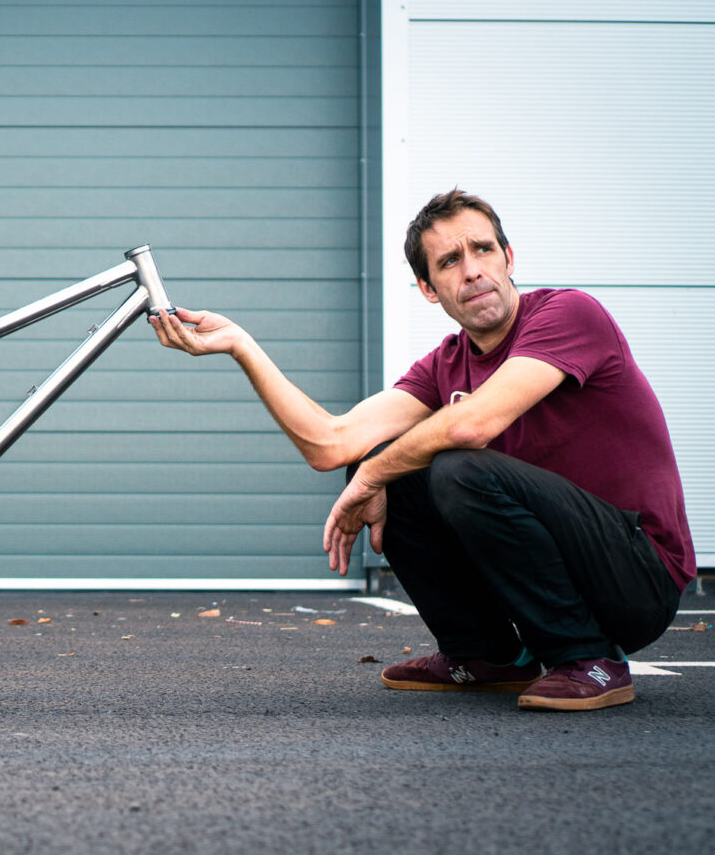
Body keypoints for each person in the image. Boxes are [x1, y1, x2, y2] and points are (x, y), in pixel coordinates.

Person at [150, 189, 695, 712]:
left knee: (449, 467)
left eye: (483, 250)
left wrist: (372, 472)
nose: (473, 269)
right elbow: (330, 443)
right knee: (395, 475)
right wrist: (242, 346)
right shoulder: (446, 364)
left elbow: (472, 425)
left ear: (508, 258)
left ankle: (588, 658)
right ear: (430, 289)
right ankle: (485, 655)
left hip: (637, 576)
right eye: (450, 261)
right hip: (568, 570)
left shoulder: (568, 315)